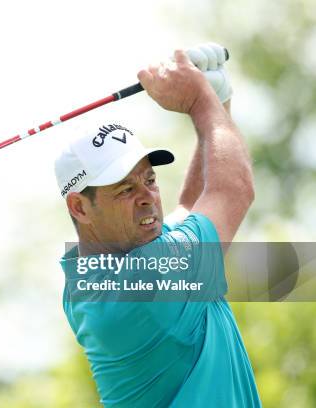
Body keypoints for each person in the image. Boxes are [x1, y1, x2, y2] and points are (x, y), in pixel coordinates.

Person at [54, 43, 261, 407]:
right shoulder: (144, 284)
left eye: (150, 179)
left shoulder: (100, 270)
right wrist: (200, 102)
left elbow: (190, 207)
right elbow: (233, 191)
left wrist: (218, 102)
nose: (147, 197)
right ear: (80, 208)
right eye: (125, 189)